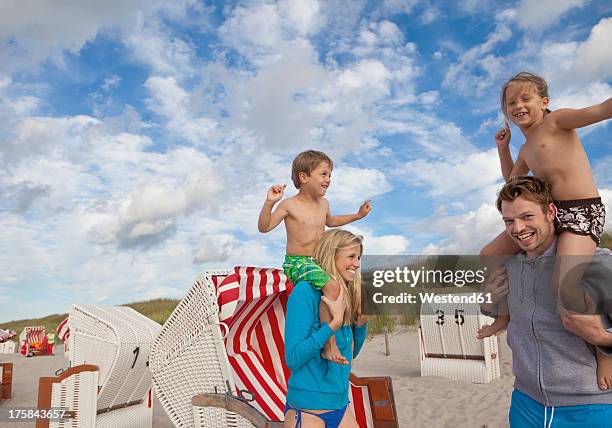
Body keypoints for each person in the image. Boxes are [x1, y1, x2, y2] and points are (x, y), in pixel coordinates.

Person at [479, 72, 612, 366]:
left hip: (581, 212)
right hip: (548, 213)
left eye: (526, 98)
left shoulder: (557, 121)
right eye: (511, 102)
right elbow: (511, 182)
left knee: (563, 287)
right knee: (489, 255)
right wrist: (503, 150)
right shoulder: (525, 148)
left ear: (544, 101)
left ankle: (602, 349)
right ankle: (504, 316)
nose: (518, 105)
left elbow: (601, 110)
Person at [481, 176, 612, 426]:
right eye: (509, 221)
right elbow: (493, 309)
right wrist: (489, 300)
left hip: (590, 405)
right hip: (526, 401)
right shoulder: (508, 264)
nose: (517, 228)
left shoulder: (596, 263)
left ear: (550, 212)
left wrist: (603, 340)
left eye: (527, 217)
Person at [258, 150, 371, 363]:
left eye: (330, 175)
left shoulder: (324, 203)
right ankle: (329, 345)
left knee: (355, 287)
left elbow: (332, 221)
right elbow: (264, 227)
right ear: (304, 177)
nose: (328, 180)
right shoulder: (289, 205)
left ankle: (352, 334)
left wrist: (357, 215)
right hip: (298, 263)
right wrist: (269, 203)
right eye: (324, 174)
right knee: (332, 286)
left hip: (319, 262)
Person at [284, 229, 368, 428]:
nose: (356, 263)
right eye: (351, 256)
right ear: (332, 255)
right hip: (307, 411)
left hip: (339, 406)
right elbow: (293, 358)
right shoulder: (305, 292)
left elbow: (351, 354)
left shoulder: (347, 294)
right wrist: (331, 326)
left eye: (359, 257)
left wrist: (362, 323)